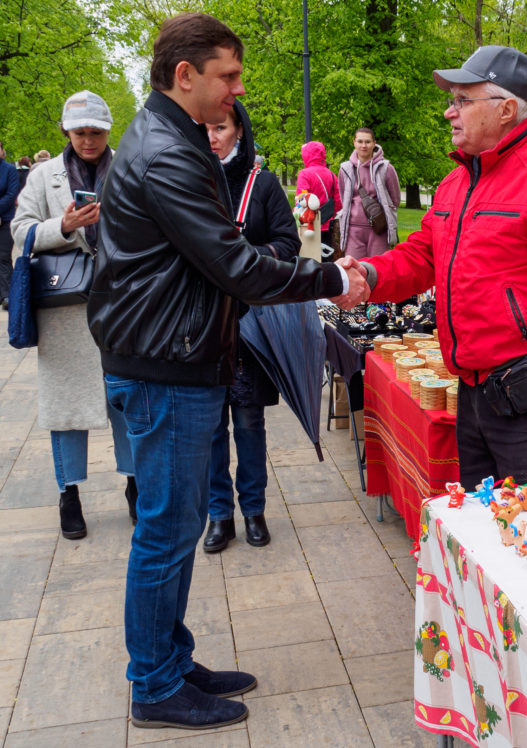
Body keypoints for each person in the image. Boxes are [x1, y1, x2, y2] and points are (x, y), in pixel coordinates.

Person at [86, 13, 365, 730]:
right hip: (164, 367)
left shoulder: (169, 139)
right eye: (229, 77)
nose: (237, 92)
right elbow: (234, 264)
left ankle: (171, 659)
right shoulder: (167, 153)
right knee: (166, 531)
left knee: (173, 527)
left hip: (168, 358)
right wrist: (331, 278)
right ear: (186, 76)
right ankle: (153, 682)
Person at [346, 45, 527, 487]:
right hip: (473, 394)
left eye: (461, 100)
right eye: (452, 101)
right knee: (482, 528)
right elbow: (423, 256)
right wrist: (368, 275)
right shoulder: (458, 181)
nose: (449, 112)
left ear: (506, 109)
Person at [10, 91, 136, 538]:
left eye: (97, 133)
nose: (89, 141)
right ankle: (69, 493)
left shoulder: (127, 165)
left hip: (122, 303)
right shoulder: (44, 176)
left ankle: (134, 483)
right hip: (64, 308)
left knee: (126, 398)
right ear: (67, 131)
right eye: (81, 133)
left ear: (108, 131)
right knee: (66, 407)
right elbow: (20, 229)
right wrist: (63, 226)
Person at [202, 100, 300, 553]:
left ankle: (254, 510)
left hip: (248, 324)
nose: (212, 136)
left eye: (220, 127)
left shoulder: (262, 185)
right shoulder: (188, 179)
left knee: (248, 422)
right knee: (208, 428)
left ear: (239, 130)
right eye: (204, 127)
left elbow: (288, 242)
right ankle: (218, 515)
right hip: (200, 323)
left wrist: (249, 254)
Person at [337, 127, 400, 259]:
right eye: (360, 141)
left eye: (367, 142)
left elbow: (395, 200)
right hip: (353, 230)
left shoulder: (386, 168)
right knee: (354, 270)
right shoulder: (345, 169)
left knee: (378, 271)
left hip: (379, 228)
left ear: (374, 143)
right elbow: (344, 198)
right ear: (354, 142)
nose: (363, 145)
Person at [296, 140, 341, 253]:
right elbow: (338, 201)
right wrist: (330, 215)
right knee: (326, 257)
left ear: (307, 155)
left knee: (310, 257)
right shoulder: (331, 174)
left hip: (309, 225)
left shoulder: (304, 174)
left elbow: (301, 199)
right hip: (328, 223)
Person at [0, 140, 18, 310]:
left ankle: (7, 294)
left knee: (3, 256)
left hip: (5, 219)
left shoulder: (9, 170)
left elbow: (12, 193)